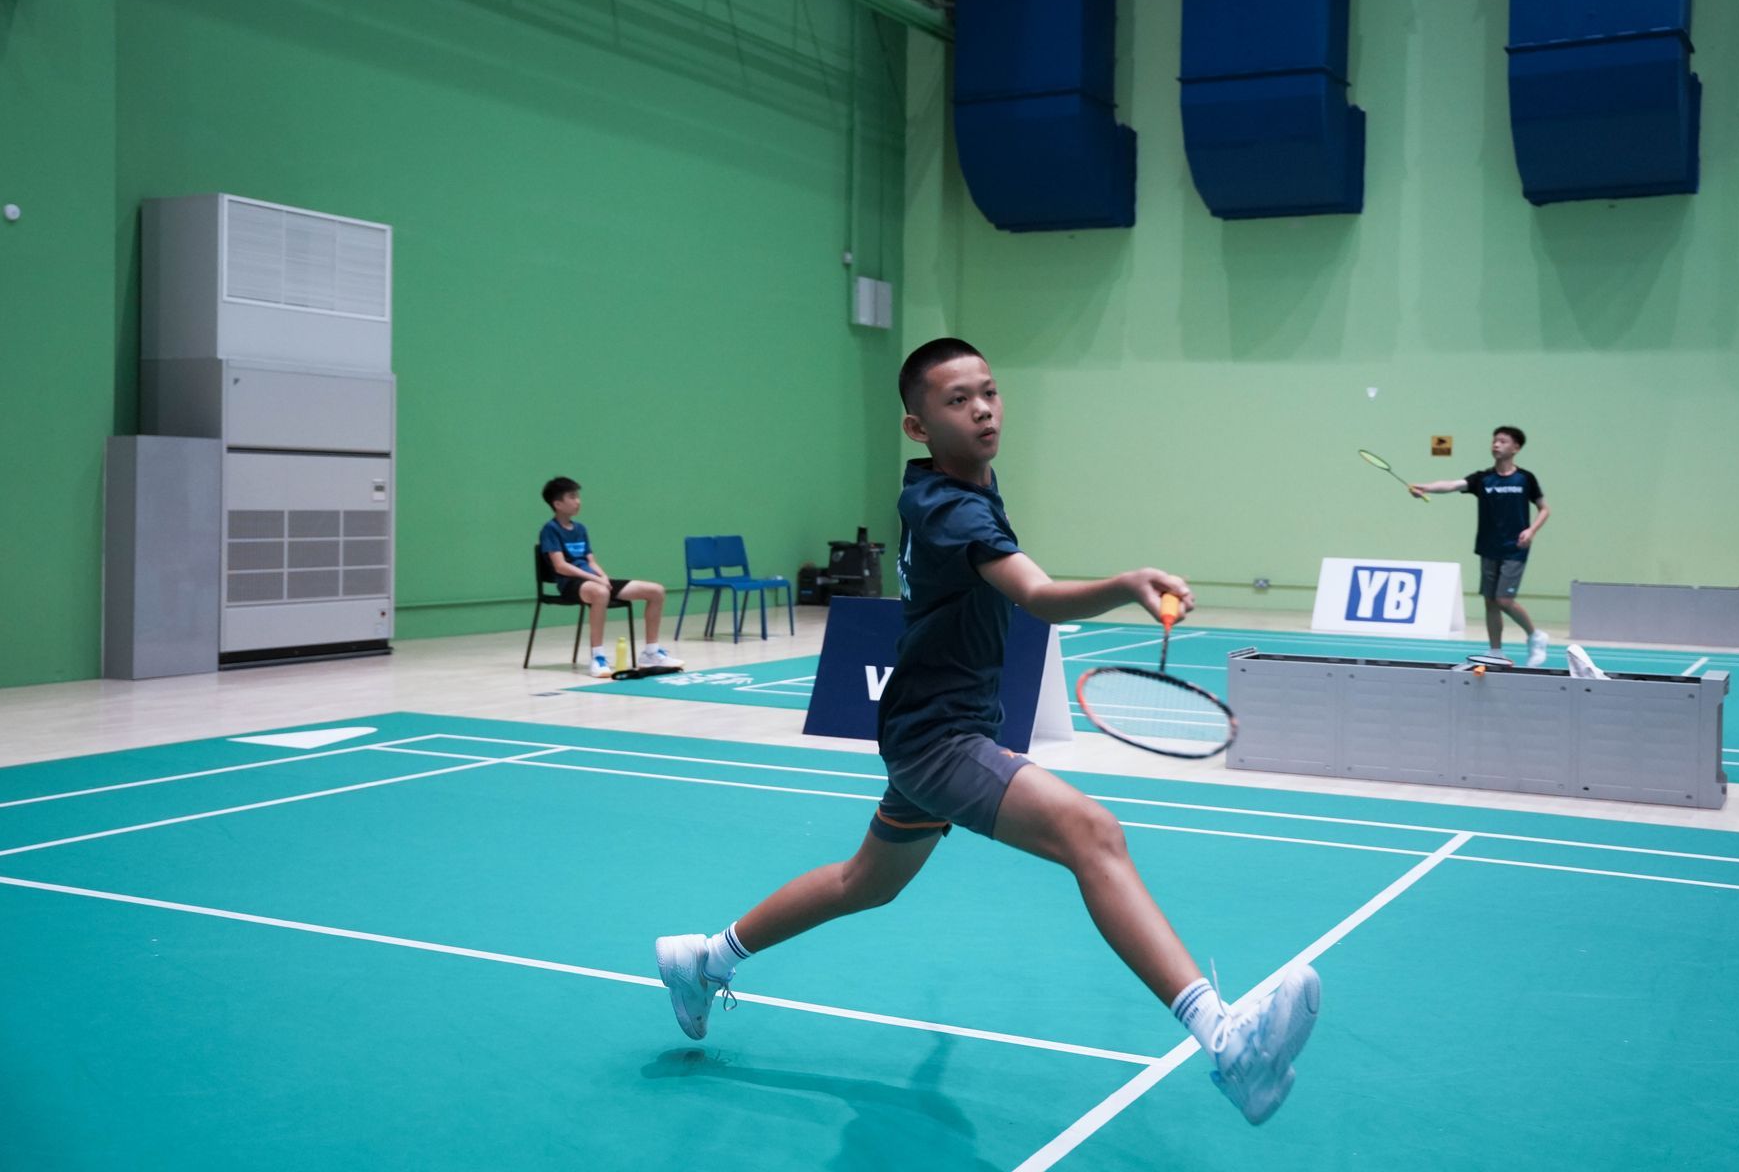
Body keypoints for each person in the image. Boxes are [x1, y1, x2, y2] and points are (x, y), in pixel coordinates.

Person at [653, 339, 1319, 1127]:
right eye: (957, 400)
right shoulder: (953, 510)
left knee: (866, 881)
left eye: (990, 392)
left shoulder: (950, 484)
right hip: (940, 739)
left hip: (935, 725)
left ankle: (704, 958)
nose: (982, 410)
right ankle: (1227, 1042)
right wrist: (1125, 582)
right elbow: (1036, 595)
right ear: (917, 426)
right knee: (1092, 834)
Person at [1408, 427, 1552, 666]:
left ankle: (1535, 635)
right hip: (1488, 547)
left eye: (1503, 441)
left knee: (1504, 600)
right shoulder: (1483, 479)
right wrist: (1425, 487)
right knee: (1490, 601)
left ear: (1516, 448)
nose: (1496, 445)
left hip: (1515, 548)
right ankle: (1495, 652)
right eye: (1494, 441)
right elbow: (1452, 485)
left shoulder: (1525, 478)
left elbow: (1544, 509)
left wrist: (1531, 530)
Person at [538, 476, 680, 676]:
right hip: (570, 584)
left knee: (656, 591)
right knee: (601, 593)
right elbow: (560, 566)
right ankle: (597, 657)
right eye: (572, 497)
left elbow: (591, 561)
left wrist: (603, 576)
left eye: (578, 496)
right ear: (558, 504)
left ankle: (651, 653)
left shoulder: (580, 529)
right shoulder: (550, 530)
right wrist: (596, 580)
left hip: (594, 581)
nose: (578, 501)